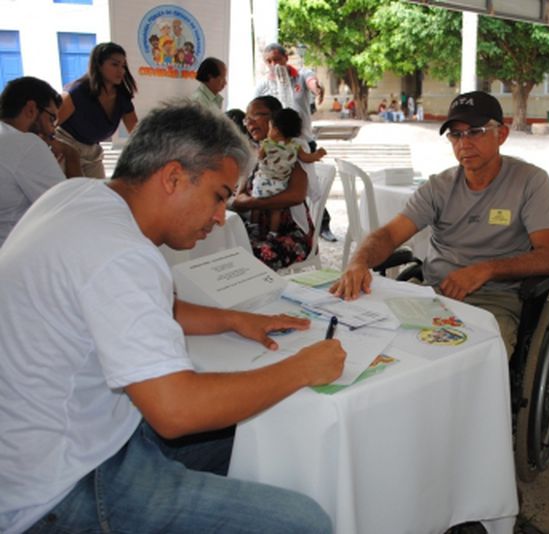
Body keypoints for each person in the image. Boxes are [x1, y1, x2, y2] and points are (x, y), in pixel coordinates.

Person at [0, 101, 344, 533]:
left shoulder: (78, 196)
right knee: (305, 523)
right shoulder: (122, 253)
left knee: (259, 435)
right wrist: (302, 368)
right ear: (173, 177)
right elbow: (176, 410)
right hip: (63, 487)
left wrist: (234, 319)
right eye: (219, 196)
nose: (220, 217)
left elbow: (143, 305)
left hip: (64, 442)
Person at [331, 91, 549, 358]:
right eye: (456, 134)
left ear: (501, 134)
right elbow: (390, 234)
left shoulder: (530, 182)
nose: (464, 143)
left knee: (470, 361)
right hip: (433, 294)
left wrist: (486, 270)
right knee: (372, 342)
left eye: (475, 132)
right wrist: (358, 262)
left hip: (494, 301)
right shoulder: (438, 187)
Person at [255, 43, 336, 242]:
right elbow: (256, 109)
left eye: (277, 59)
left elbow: (312, 82)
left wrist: (317, 89)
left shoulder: (300, 75)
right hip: (276, 146)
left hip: (301, 142)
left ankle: (319, 225)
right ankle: (277, 227)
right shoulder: (264, 84)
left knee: (306, 185)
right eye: (269, 61)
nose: (274, 64)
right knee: (278, 186)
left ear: (285, 58)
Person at [232, 96, 315, 270]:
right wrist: (241, 201)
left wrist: (252, 203)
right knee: (223, 247)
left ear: (275, 118)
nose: (249, 122)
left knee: (249, 256)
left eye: (256, 115)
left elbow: (296, 195)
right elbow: (240, 195)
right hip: (257, 227)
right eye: (247, 119)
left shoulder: (292, 148)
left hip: (289, 231)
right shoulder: (254, 150)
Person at [0, 76, 77, 247]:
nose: (52, 130)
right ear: (31, 109)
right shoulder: (25, 143)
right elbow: (68, 207)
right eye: (51, 119)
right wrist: (71, 155)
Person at [55, 42, 138, 178]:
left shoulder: (122, 97)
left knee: (97, 189)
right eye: (115, 64)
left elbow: (136, 132)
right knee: (72, 189)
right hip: (66, 146)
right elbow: (48, 126)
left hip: (92, 151)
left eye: (123, 66)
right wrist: (58, 148)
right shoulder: (77, 92)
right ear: (99, 65)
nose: (121, 71)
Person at [254, 108, 327, 234]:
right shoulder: (295, 146)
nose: (268, 132)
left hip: (263, 182)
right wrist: (317, 155)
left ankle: (253, 225)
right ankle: (273, 233)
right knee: (276, 210)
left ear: (276, 130)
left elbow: (259, 157)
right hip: (281, 185)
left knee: (256, 205)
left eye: (270, 128)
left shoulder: (267, 144)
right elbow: (306, 158)